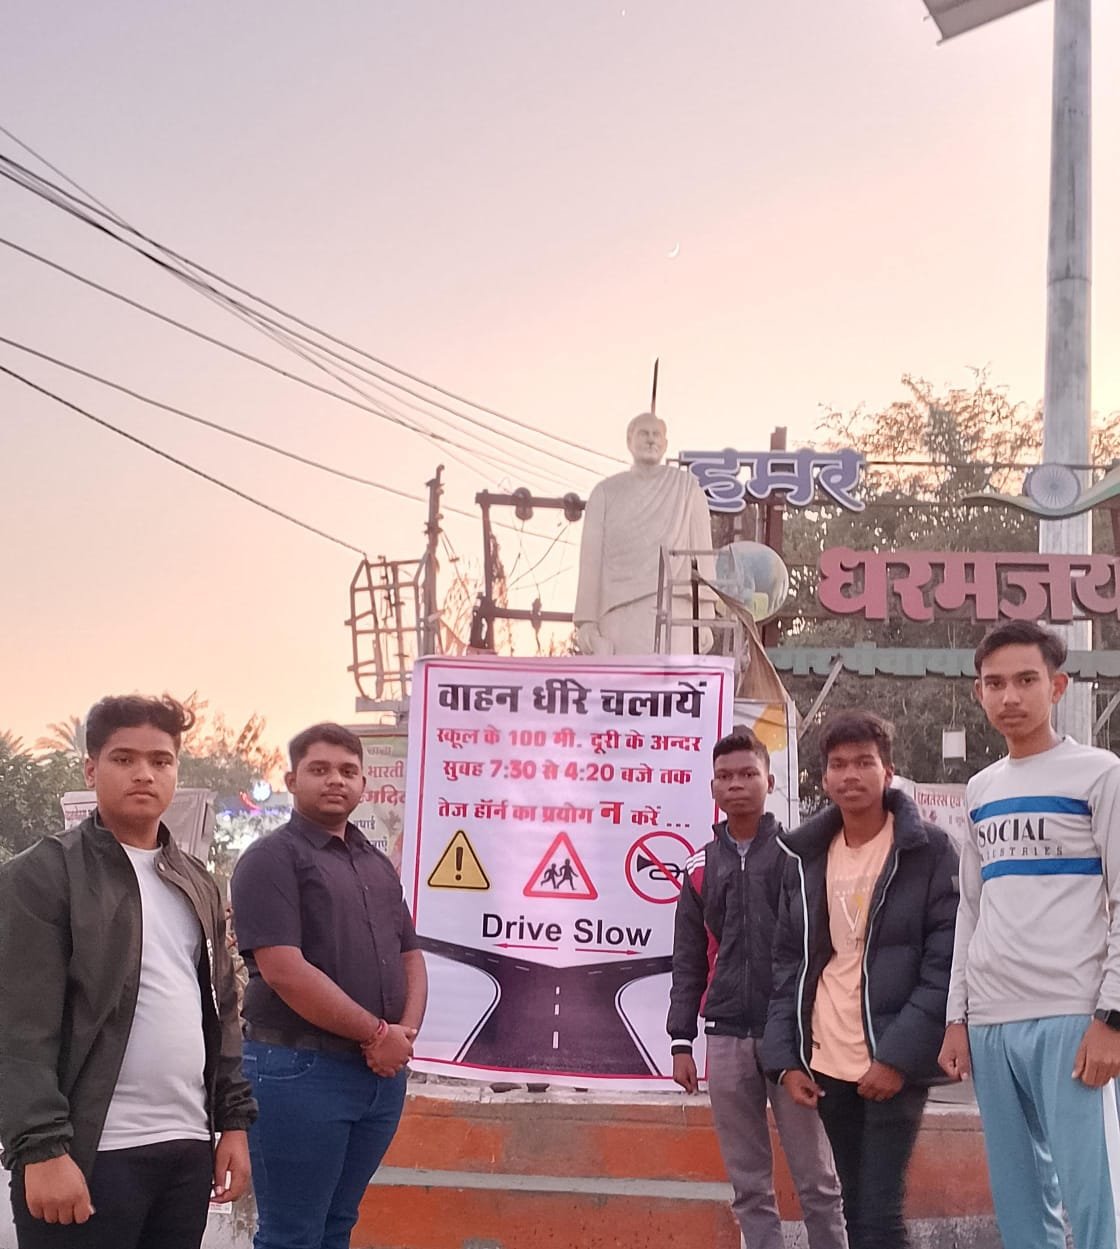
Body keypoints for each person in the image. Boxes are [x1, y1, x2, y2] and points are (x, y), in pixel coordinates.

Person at [0, 695, 255, 1249]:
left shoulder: (196, 881)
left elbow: (222, 1009)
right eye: (124, 759)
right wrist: (41, 1148)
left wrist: (232, 1123)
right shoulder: (43, 875)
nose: (144, 773)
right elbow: (18, 1026)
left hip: (185, 1150)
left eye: (161, 760)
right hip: (88, 1152)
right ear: (91, 769)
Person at [938, 621, 1120, 1249]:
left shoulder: (1100, 774)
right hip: (992, 1021)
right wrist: (957, 1017)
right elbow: (971, 908)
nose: (1009, 696)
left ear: (1057, 686)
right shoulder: (981, 789)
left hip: (1073, 1015)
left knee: (1095, 1199)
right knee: (1019, 1203)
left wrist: (1111, 1017)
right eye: (994, 684)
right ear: (979, 693)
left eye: (1025, 680)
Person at [762, 712, 958, 1249]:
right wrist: (786, 1062)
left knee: (879, 1219)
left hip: (890, 1061)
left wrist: (897, 1058)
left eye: (864, 763)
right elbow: (789, 965)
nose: (850, 775)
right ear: (824, 778)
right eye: (838, 764)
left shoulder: (928, 850)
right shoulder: (805, 857)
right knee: (854, 1210)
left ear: (887, 772)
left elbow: (944, 964)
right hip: (827, 1059)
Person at [230, 722, 427, 1249]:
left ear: (363, 784)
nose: (335, 780)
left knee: (337, 1225)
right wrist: (377, 1034)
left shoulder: (374, 863)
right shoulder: (270, 860)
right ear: (292, 780)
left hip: (377, 1077)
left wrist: (402, 1036)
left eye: (347, 771)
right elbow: (284, 970)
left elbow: (409, 955)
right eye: (319, 769)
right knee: (292, 1234)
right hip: (298, 1072)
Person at [668, 729, 847, 1249]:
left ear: (770, 781)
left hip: (793, 1038)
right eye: (725, 776)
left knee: (818, 1181)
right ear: (712, 788)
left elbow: (823, 950)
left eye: (748, 774)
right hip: (725, 1036)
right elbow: (687, 960)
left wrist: (818, 1030)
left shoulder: (800, 859)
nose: (736, 784)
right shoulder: (699, 866)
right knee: (748, 1186)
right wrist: (681, 1040)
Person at [574, 411, 716, 655]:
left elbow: (702, 556)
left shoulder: (687, 488)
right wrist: (587, 622)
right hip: (618, 612)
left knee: (672, 679)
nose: (651, 440)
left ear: (665, 443)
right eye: (643, 433)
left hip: (676, 610)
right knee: (623, 679)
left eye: (656, 434)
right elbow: (590, 562)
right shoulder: (605, 492)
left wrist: (704, 619)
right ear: (629, 440)